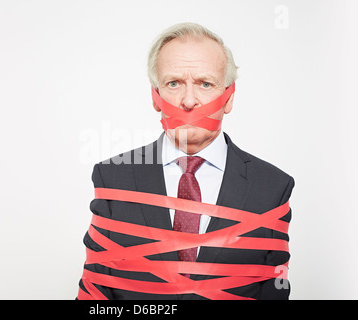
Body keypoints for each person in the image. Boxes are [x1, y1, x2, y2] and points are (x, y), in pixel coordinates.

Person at [77, 22, 295, 300]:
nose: (189, 101)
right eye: (174, 83)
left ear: (229, 97)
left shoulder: (272, 187)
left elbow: (273, 290)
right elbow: (95, 293)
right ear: (155, 96)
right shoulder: (112, 178)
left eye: (205, 84)